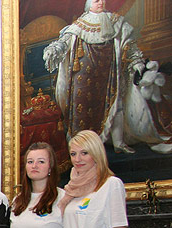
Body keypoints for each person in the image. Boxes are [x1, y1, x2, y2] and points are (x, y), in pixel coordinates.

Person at [43, 0, 171, 153]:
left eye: (103, 0)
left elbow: (129, 47)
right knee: (83, 112)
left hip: (110, 74)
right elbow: (63, 43)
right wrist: (53, 50)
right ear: (89, 3)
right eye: (97, 0)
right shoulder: (78, 26)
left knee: (116, 106)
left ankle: (119, 144)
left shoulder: (116, 22)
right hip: (83, 79)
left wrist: (136, 62)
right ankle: (84, 146)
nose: (101, 2)